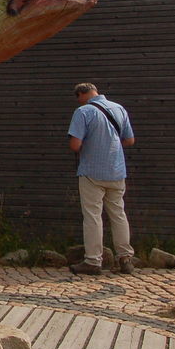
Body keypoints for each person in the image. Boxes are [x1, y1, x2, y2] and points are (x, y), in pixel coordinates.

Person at [68, 82, 136, 275]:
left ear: (81, 94)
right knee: (118, 214)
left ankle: (93, 261)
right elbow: (129, 140)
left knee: (92, 216)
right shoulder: (119, 108)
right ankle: (125, 258)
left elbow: (75, 144)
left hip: (92, 171)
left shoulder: (83, 112)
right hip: (116, 171)